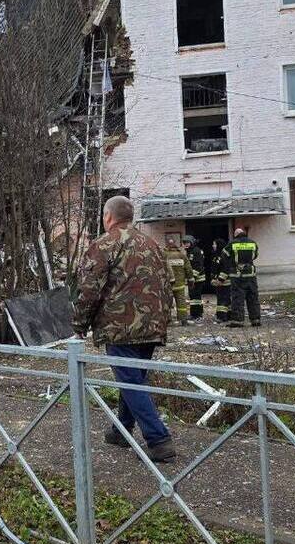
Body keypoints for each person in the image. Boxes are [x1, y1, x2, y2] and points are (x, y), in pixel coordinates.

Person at [72, 196, 176, 463]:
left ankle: (159, 440)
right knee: (133, 380)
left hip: (120, 326)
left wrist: (80, 325)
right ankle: (122, 431)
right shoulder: (152, 244)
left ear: (108, 217)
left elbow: (89, 289)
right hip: (152, 327)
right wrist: (163, 321)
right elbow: (169, 284)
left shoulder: (104, 244)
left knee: (130, 381)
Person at [224, 228, 261, 327]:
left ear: (236, 235)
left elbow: (224, 255)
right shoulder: (253, 243)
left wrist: (231, 265)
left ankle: (238, 321)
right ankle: (255, 320)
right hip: (250, 274)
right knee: (253, 297)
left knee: (238, 298)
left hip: (237, 275)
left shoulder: (232, 243)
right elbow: (256, 255)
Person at [164, 235, 199, 326]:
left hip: (168, 284)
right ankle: (183, 320)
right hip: (180, 284)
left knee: (167, 302)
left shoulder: (163, 255)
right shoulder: (182, 255)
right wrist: (191, 281)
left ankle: (168, 320)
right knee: (181, 302)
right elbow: (188, 269)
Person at [209, 238, 232, 323]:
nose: (213, 246)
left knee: (222, 300)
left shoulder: (223, 255)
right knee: (226, 300)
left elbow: (226, 269)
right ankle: (229, 315)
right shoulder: (216, 255)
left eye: (214, 244)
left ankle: (222, 317)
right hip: (220, 282)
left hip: (224, 282)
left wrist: (220, 280)